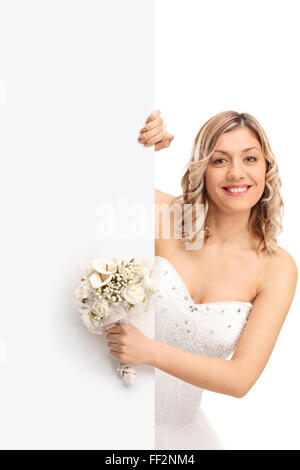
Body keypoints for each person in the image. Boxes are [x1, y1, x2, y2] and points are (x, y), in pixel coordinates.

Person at [104, 109, 298, 449]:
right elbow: (88, 182)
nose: (236, 172)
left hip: (181, 436)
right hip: (105, 413)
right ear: (202, 170)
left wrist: (149, 352)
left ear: (266, 168)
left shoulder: (276, 267)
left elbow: (240, 379)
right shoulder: (166, 218)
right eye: (220, 160)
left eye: (250, 158)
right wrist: (138, 150)